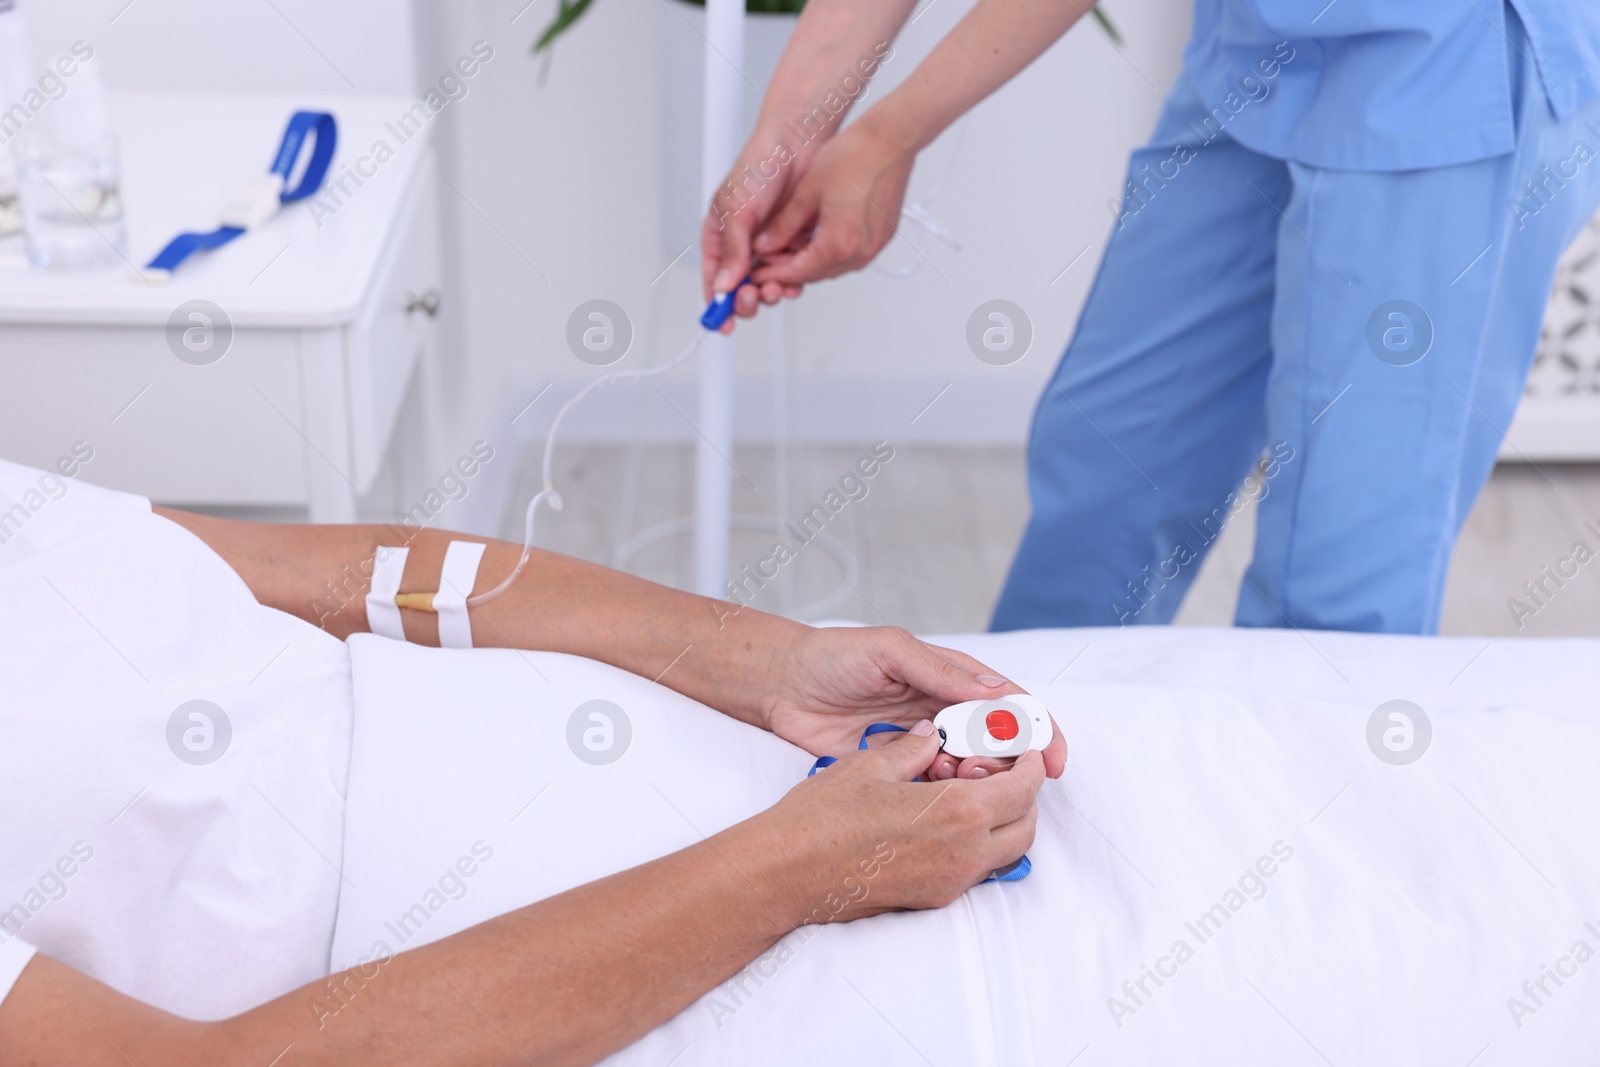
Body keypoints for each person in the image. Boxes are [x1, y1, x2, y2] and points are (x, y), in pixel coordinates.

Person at [0, 460, 1063, 1064]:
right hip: (547, 973)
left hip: (739, 780)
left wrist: (767, 660)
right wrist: (800, 869)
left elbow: (325, 569)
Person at [702, 0, 1600, 634]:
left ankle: (1285, 867)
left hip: (1450, 61)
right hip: (1261, 43)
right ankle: (1024, 794)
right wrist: (789, 137)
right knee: (1111, 470)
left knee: (1335, 576)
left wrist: (887, 136)